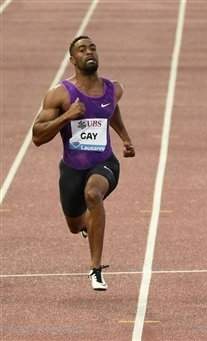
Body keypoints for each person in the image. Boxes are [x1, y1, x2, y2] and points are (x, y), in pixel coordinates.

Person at [32, 36, 135, 291]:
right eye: (81, 49)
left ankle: (95, 269)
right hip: (72, 169)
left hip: (104, 163)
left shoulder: (114, 89)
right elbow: (37, 136)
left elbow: (111, 110)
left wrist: (125, 138)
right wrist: (67, 116)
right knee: (74, 225)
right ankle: (88, 224)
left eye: (92, 48)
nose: (89, 52)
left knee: (93, 194)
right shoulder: (59, 94)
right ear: (72, 60)